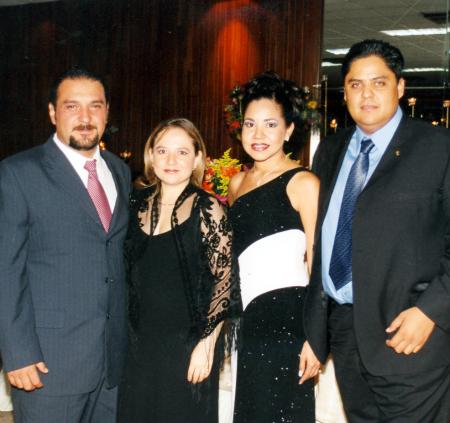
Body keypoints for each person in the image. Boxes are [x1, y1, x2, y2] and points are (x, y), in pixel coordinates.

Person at [304, 39, 450, 422]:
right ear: (345, 91)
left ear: (400, 87)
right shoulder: (330, 151)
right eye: (355, 84)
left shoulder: (438, 147)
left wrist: (430, 312)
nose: (366, 94)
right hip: (345, 334)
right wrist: (317, 330)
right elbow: (323, 243)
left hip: (410, 335)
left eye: (379, 83)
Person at [0, 68, 131, 422]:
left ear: (107, 112)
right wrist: (17, 353)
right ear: (52, 113)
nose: (85, 118)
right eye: (72, 106)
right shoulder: (18, 173)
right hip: (48, 364)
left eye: (95, 106)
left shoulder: (119, 171)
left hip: (111, 366)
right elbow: (5, 270)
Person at [117, 118, 241, 423]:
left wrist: (206, 344)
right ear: (150, 157)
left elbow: (225, 280)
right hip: (137, 345)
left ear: (198, 158)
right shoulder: (133, 203)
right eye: (162, 151)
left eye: (182, 152)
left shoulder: (208, 209)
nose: (171, 160)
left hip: (186, 347)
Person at [228, 71, 321, 423]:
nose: (258, 135)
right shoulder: (237, 183)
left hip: (290, 322)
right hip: (249, 321)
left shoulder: (303, 182)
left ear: (289, 130)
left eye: (270, 124)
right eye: (250, 124)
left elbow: (318, 262)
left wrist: (316, 336)